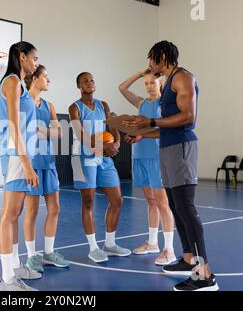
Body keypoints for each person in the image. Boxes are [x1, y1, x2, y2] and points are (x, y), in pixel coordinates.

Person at [124, 41, 219, 291]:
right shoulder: (167, 83)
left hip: (182, 149)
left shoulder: (183, 78)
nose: (149, 64)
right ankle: (188, 259)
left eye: (152, 59)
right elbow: (165, 128)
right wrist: (142, 132)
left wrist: (152, 121)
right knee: (176, 207)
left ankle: (204, 275)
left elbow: (189, 117)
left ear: (163, 56)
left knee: (186, 208)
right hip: (167, 148)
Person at [69, 72, 131, 263]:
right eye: (85, 81)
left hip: (104, 158)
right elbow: (80, 135)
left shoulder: (103, 105)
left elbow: (112, 128)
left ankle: (110, 244)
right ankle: (93, 247)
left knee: (117, 200)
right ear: (79, 86)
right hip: (83, 157)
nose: (90, 82)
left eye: (92, 80)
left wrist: (117, 144)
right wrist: (104, 146)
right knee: (88, 202)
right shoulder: (74, 108)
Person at [118, 69, 176, 266]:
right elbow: (122, 88)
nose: (149, 86)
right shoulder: (141, 103)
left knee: (162, 203)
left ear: (161, 83)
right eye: (146, 83)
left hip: (156, 157)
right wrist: (139, 73)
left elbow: (164, 129)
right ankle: (152, 242)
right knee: (151, 202)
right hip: (139, 156)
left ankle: (169, 248)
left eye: (153, 82)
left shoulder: (165, 104)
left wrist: (142, 134)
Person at [0, 41, 42, 291]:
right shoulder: (12, 81)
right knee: (9, 215)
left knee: (14, 215)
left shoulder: (18, 84)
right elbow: (13, 125)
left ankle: (14, 268)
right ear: (22, 56)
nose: (36, 63)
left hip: (20, 155)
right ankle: (7, 280)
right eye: (34, 58)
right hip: (16, 156)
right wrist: (26, 163)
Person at [22, 65, 70, 272]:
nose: (48, 81)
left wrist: (40, 129)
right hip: (31, 164)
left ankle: (49, 253)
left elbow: (60, 133)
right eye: (45, 77)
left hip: (48, 163)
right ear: (34, 79)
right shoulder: (22, 103)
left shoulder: (48, 105)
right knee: (31, 211)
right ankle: (32, 256)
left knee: (55, 209)